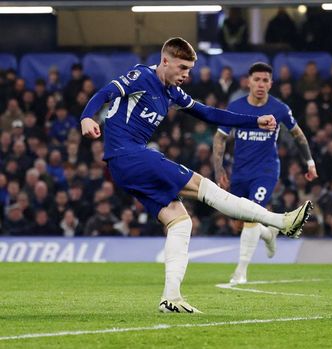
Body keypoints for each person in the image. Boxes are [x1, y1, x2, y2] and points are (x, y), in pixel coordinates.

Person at [80, 37, 313, 313]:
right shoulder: (141, 75)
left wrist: (255, 121)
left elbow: (210, 114)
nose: (185, 75)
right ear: (164, 61)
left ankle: (171, 298)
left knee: (180, 222)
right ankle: (281, 222)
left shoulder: (172, 93)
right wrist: (87, 116)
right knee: (204, 187)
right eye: (181, 68)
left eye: (189, 70)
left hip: (127, 164)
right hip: (128, 155)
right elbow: (106, 92)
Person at [213, 62, 318, 285]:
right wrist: (219, 168)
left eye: (265, 80)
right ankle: (269, 233)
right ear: (248, 82)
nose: (261, 84)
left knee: (251, 216)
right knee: (240, 222)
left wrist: (309, 162)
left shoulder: (279, 108)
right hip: (240, 172)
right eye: (257, 79)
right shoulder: (235, 106)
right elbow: (220, 137)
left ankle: (240, 272)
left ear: (271, 84)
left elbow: (298, 135)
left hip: (266, 171)